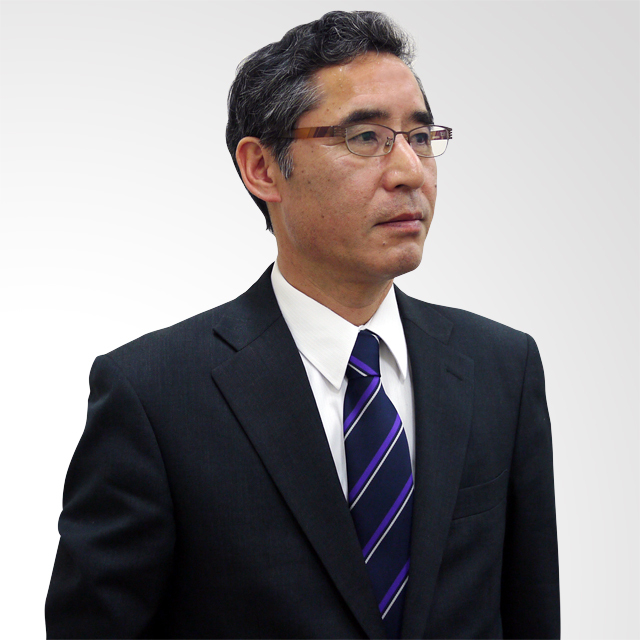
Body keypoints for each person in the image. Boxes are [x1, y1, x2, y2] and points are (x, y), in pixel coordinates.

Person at [45, 10, 560, 639]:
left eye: (421, 136)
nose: (409, 171)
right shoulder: (154, 394)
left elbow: (532, 613)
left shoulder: (501, 367)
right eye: (366, 137)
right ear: (263, 168)